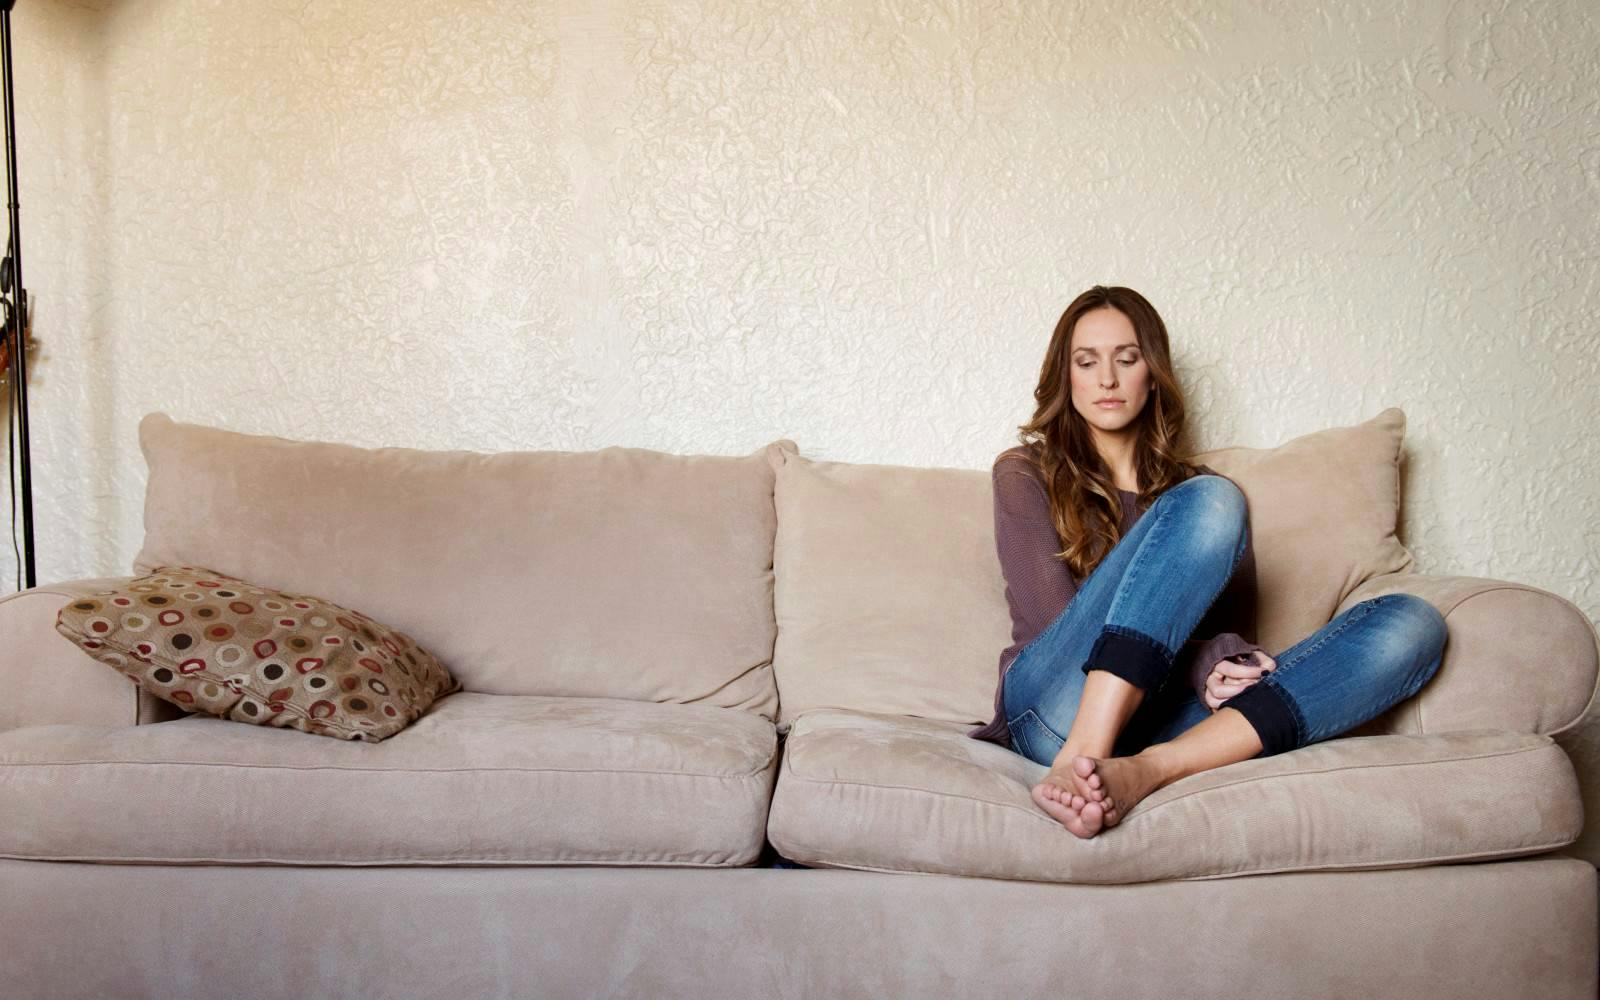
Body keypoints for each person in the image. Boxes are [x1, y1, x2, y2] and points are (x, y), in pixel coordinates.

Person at [966, 285, 1448, 839]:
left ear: (1154, 374)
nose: (1107, 379)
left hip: (1160, 727)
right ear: (1064, 376)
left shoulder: (1202, 493)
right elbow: (1051, 620)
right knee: (1211, 502)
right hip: (1053, 710)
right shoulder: (1026, 472)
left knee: (1413, 624)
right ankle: (1082, 756)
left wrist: (1226, 668)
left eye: (1127, 359)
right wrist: (1200, 663)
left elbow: (1229, 637)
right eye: (1086, 361)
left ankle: (1144, 772)